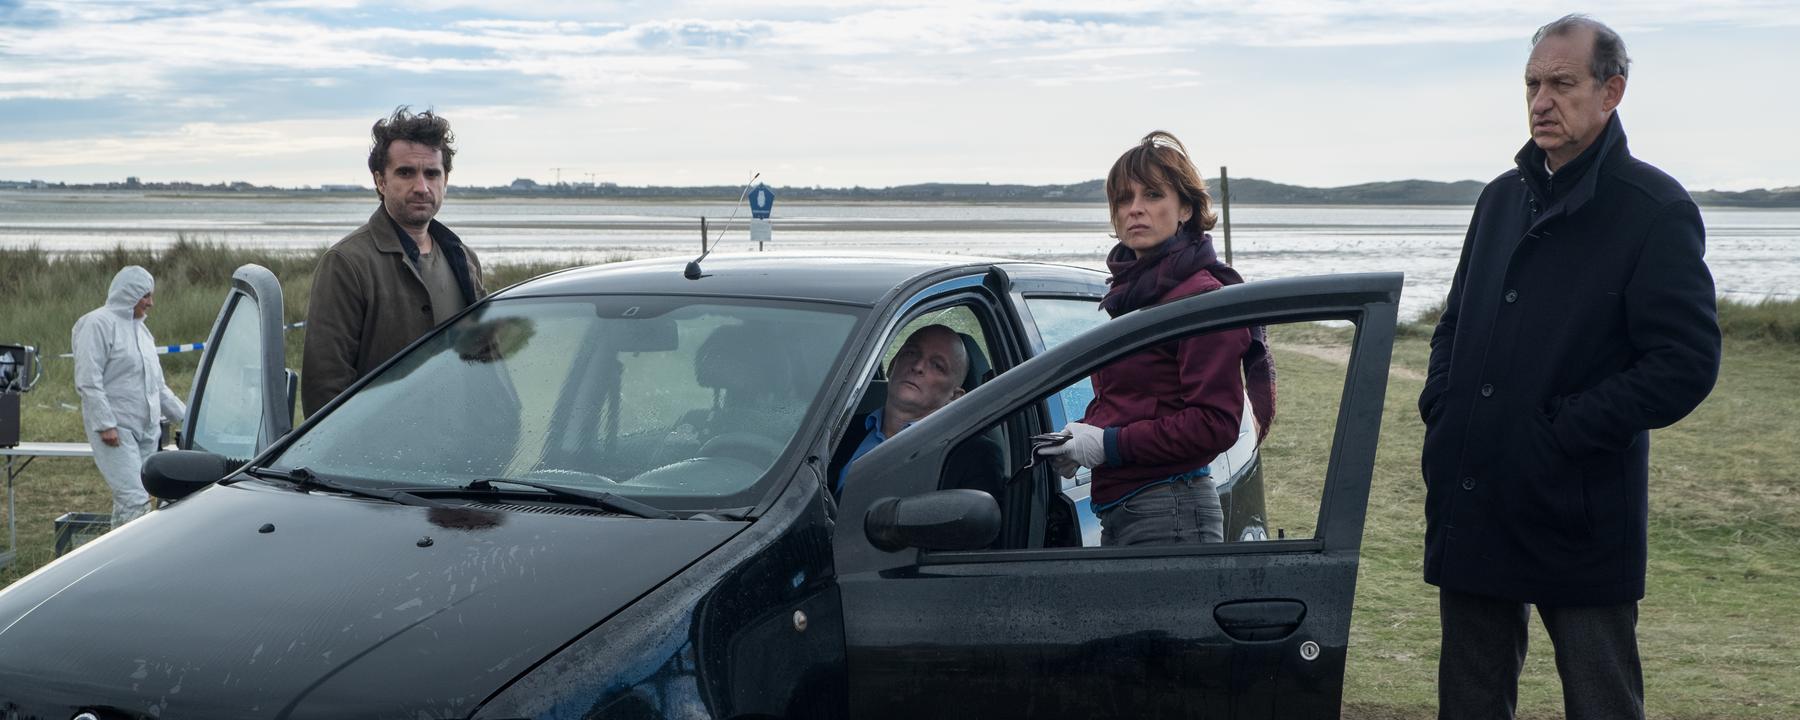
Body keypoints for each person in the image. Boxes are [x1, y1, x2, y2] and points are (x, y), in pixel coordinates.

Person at [1419, 15, 1721, 720]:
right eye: (1532, 84)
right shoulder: (1500, 198)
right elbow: (1456, 321)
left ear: (1611, 91)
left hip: (1579, 504)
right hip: (1477, 489)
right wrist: (1443, 401)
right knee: (1469, 700)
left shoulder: (1654, 209)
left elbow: (1686, 361)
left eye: (1562, 84)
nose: (1541, 102)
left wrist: (1567, 431)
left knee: (1602, 700)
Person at [1036, 130, 1275, 547]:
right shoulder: (1136, 295)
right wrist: (1084, 436)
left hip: (1172, 511)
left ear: (1185, 208)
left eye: (1152, 195)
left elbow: (1214, 425)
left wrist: (1106, 444)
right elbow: (1139, 399)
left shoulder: (1201, 299)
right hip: (1129, 507)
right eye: (1123, 200)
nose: (1135, 210)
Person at [302, 106, 486, 416]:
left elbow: (484, 362)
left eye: (432, 173)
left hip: (459, 454)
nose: (421, 187)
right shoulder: (346, 263)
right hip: (376, 459)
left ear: (446, 180)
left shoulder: (464, 259)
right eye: (405, 172)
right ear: (380, 181)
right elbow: (325, 386)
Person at [828, 324, 1003, 498]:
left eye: (937, 365)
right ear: (892, 365)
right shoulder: (840, 428)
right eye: (911, 353)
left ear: (955, 396)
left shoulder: (974, 456)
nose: (918, 366)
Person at [71, 266, 186, 527]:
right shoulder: (97, 323)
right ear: (129, 293)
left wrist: (189, 418)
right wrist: (105, 424)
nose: (151, 303)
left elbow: (158, 387)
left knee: (137, 496)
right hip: (115, 429)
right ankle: (140, 560)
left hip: (146, 429)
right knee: (134, 498)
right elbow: (89, 379)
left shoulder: (143, 332)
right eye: (145, 295)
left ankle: (114, 556)